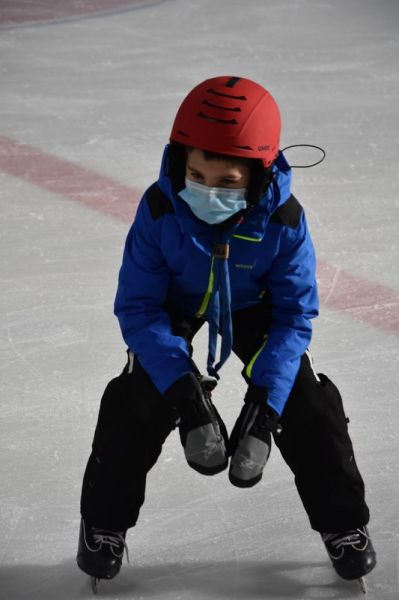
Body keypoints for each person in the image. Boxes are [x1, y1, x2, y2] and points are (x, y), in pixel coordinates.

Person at [76, 76, 376, 586]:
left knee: (307, 403)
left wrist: (267, 404)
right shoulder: (159, 209)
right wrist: (185, 393)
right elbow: (139, 307)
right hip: (174, 305)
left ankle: (343, 523)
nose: (206, 193)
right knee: (136, 400)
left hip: (255, 306)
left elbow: (294, 315)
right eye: (195, 175)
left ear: (257, 178)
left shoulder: (284, 219)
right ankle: (103, 522)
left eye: (226, 183)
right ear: (178, 163)